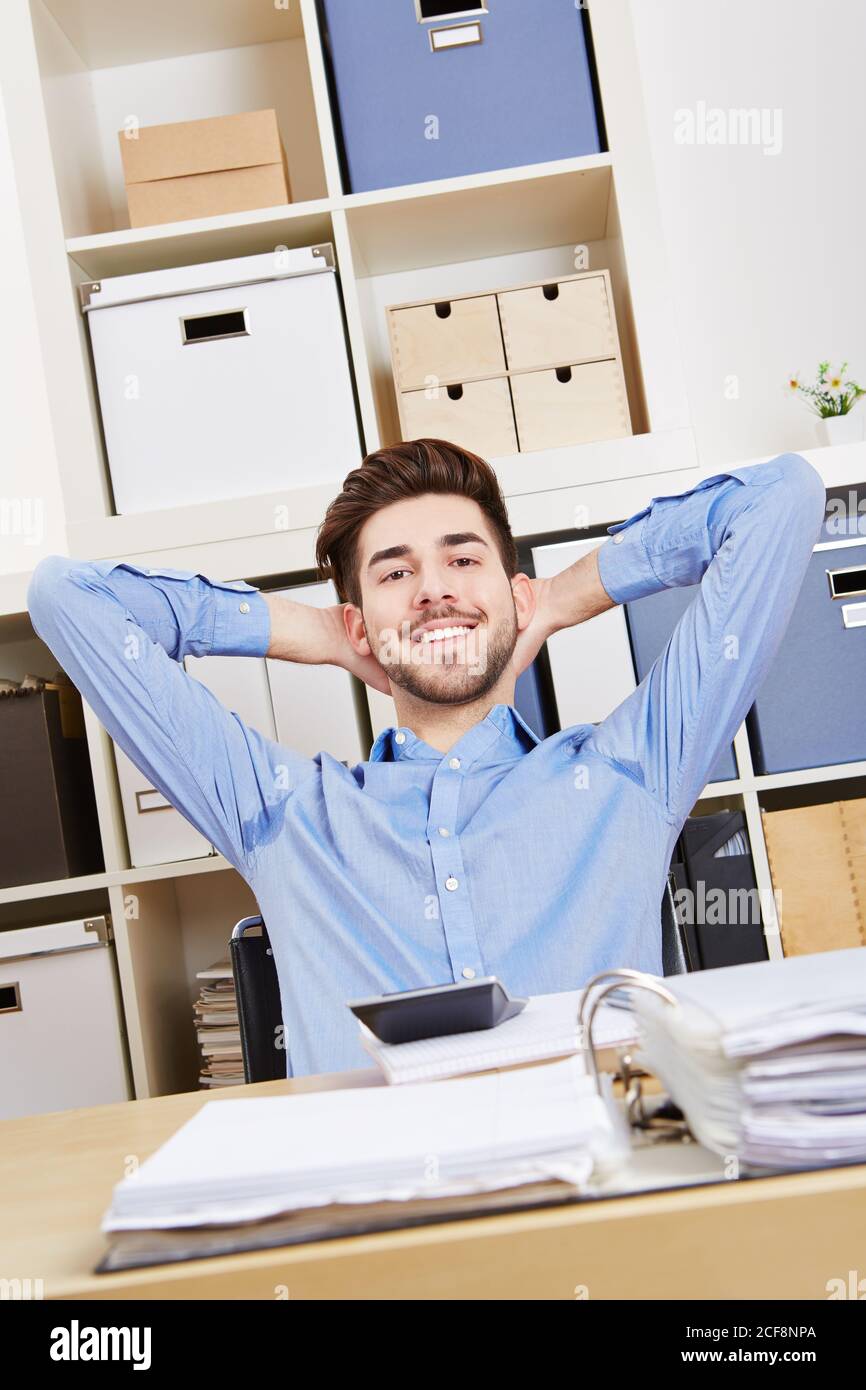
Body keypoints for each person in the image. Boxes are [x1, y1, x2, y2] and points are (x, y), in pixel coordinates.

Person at [27, 439, 826, 1076]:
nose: (434, 590)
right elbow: (66, 598)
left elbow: (782, 497)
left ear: (512, 595)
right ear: (360, 622)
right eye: (397, 572)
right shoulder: (281, 812)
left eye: (463, 560)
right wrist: (318, 636)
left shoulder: (632, 772)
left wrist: (556, 598)